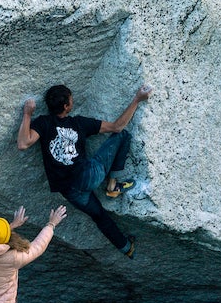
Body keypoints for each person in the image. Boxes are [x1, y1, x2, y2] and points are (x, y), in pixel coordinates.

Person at [17, 83, 151, 258]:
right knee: (122, 135)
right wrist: (137, 99)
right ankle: (113, 184)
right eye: (71, 99)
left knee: (99, 216)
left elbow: (23, 143)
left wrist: (27, 113)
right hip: (89, 175)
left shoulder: (43, 122)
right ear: (66, 106)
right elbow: (117, 127)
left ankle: (127, 248)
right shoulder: (79, 123)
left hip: (70, 190)